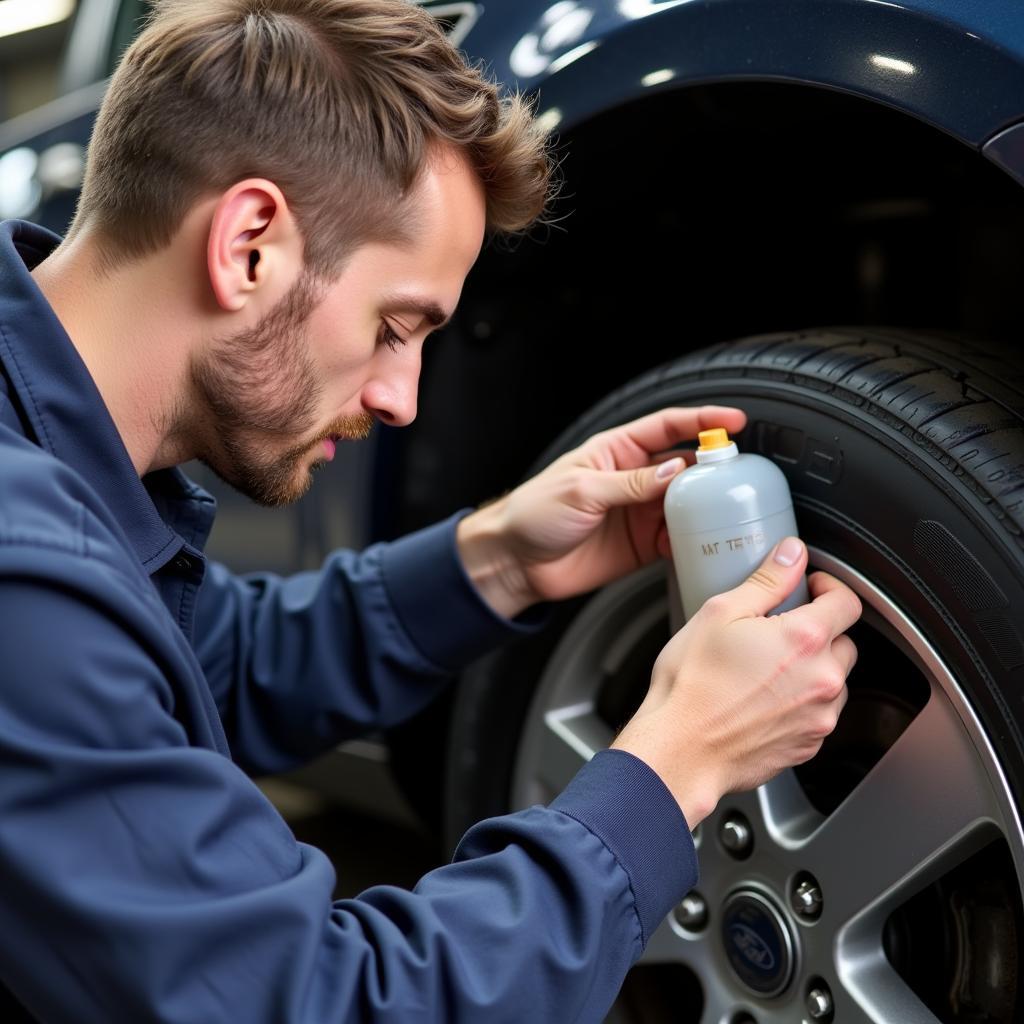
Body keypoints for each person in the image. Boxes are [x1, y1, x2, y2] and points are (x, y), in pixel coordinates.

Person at [0, 0, 861, 1019]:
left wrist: (498, 560)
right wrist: (676, 761)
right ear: (249, 245)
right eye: (395, 325)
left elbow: (199, 671)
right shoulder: (24, 562)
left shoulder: (51, 479)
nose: (400, 399)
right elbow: (314, 1003)